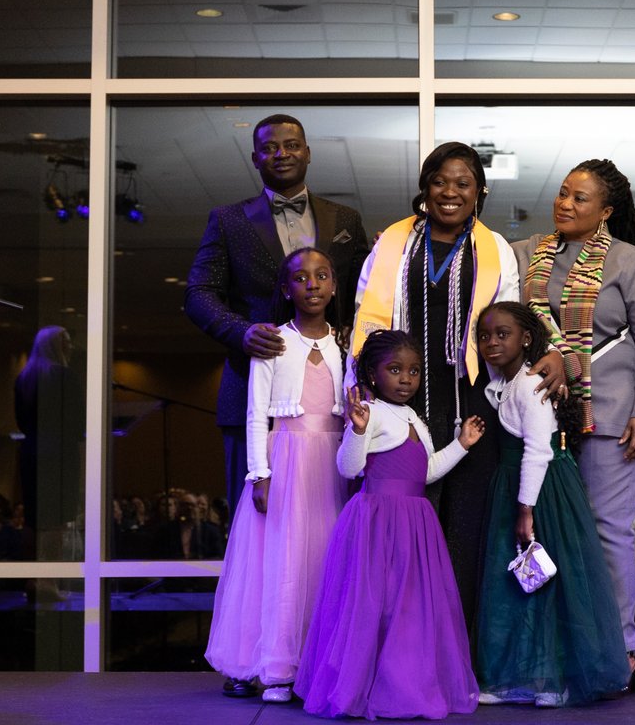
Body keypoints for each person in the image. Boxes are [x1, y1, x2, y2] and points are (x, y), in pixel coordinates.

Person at [347, 141, 565, 635]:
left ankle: (457, 651)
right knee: (403, 527)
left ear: (479, 191)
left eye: (462, 183)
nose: (450, 192)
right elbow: (367, 314)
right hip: (403, 398)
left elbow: (508, 322)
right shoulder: (393, 245)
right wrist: (361, 388)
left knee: (466, 530)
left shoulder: (494, 251)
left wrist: (545, 351)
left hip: (470, 403)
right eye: (440, 181)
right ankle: (399, 642)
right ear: (424, 188)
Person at [514, 158, 635, 690]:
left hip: (614, 421)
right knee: (550, 533)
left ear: (606, 211)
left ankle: (621, 650)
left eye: (580, 198)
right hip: (541, 418)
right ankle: (562, 648)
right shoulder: (525, 255)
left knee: (607, 534)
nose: (565, 203)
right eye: (562, 193)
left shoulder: (629, 261)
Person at [185, 113, 369, 517]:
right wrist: (242, 332)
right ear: (254, 159)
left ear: (307, 153)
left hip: (332, 399)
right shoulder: (228, 220)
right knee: (254, 518)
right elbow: (198, 294)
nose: (281, 154)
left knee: (333, 519)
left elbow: (364, 296)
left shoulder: (346, 220)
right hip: (250, 386)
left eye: (290, 145)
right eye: (269, 148)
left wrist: (350, 337)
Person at [295, 330, 484, 719]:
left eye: (413, 371)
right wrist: (358, 429)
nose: (405, 379)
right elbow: (349, 468)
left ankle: (403, 685)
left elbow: (427, 472)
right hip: (379, 521)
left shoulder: (413, 415)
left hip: (415, 522)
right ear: (373, 373)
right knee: (374, 606)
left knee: (408, 607)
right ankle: (365, 687)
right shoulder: (372, 412)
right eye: (395, 369)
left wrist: (461, 444)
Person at [205, 248, 348, 704]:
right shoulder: (272, 342)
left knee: (322, 563)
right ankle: (272, 665)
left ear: (334, 286)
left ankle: (312, 663)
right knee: (281, 564)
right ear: (286, 289)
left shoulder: (345, 346)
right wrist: (259, 474)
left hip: (331, 466)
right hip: (285, 461)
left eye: (321, 276)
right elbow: (255, 415)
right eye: (301, 278)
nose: (312, 284)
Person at [474, 302, 630, 707]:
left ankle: (551, 682)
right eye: (485, 335)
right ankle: (527, 679)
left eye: (502, 334)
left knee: (545, 581)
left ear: (526, 338)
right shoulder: (508, 383)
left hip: (540, 490)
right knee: (524, 583)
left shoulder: (530, 384)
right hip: (522, 485)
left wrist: (525, 510)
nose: (492, 342)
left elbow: (538, 450)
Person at [15, 325, 84, 557]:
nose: (71, 345)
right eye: (66, 340)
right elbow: (78, 423)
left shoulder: (24, 378)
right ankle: (48, 581)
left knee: (33, 519)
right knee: (57, 519)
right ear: (55, 345)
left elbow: (21, 421)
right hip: (61, 453)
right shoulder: (65, 376)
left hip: (32, 450)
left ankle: (32, 579)